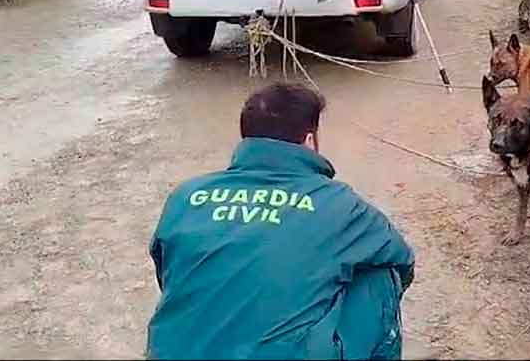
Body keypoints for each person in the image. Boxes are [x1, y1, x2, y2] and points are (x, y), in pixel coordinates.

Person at [147, 83, 415, 360]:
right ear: (310, 142)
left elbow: (167, 273)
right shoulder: (340, 204)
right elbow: (402, 261)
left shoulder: (186, 196)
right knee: (380, 273)